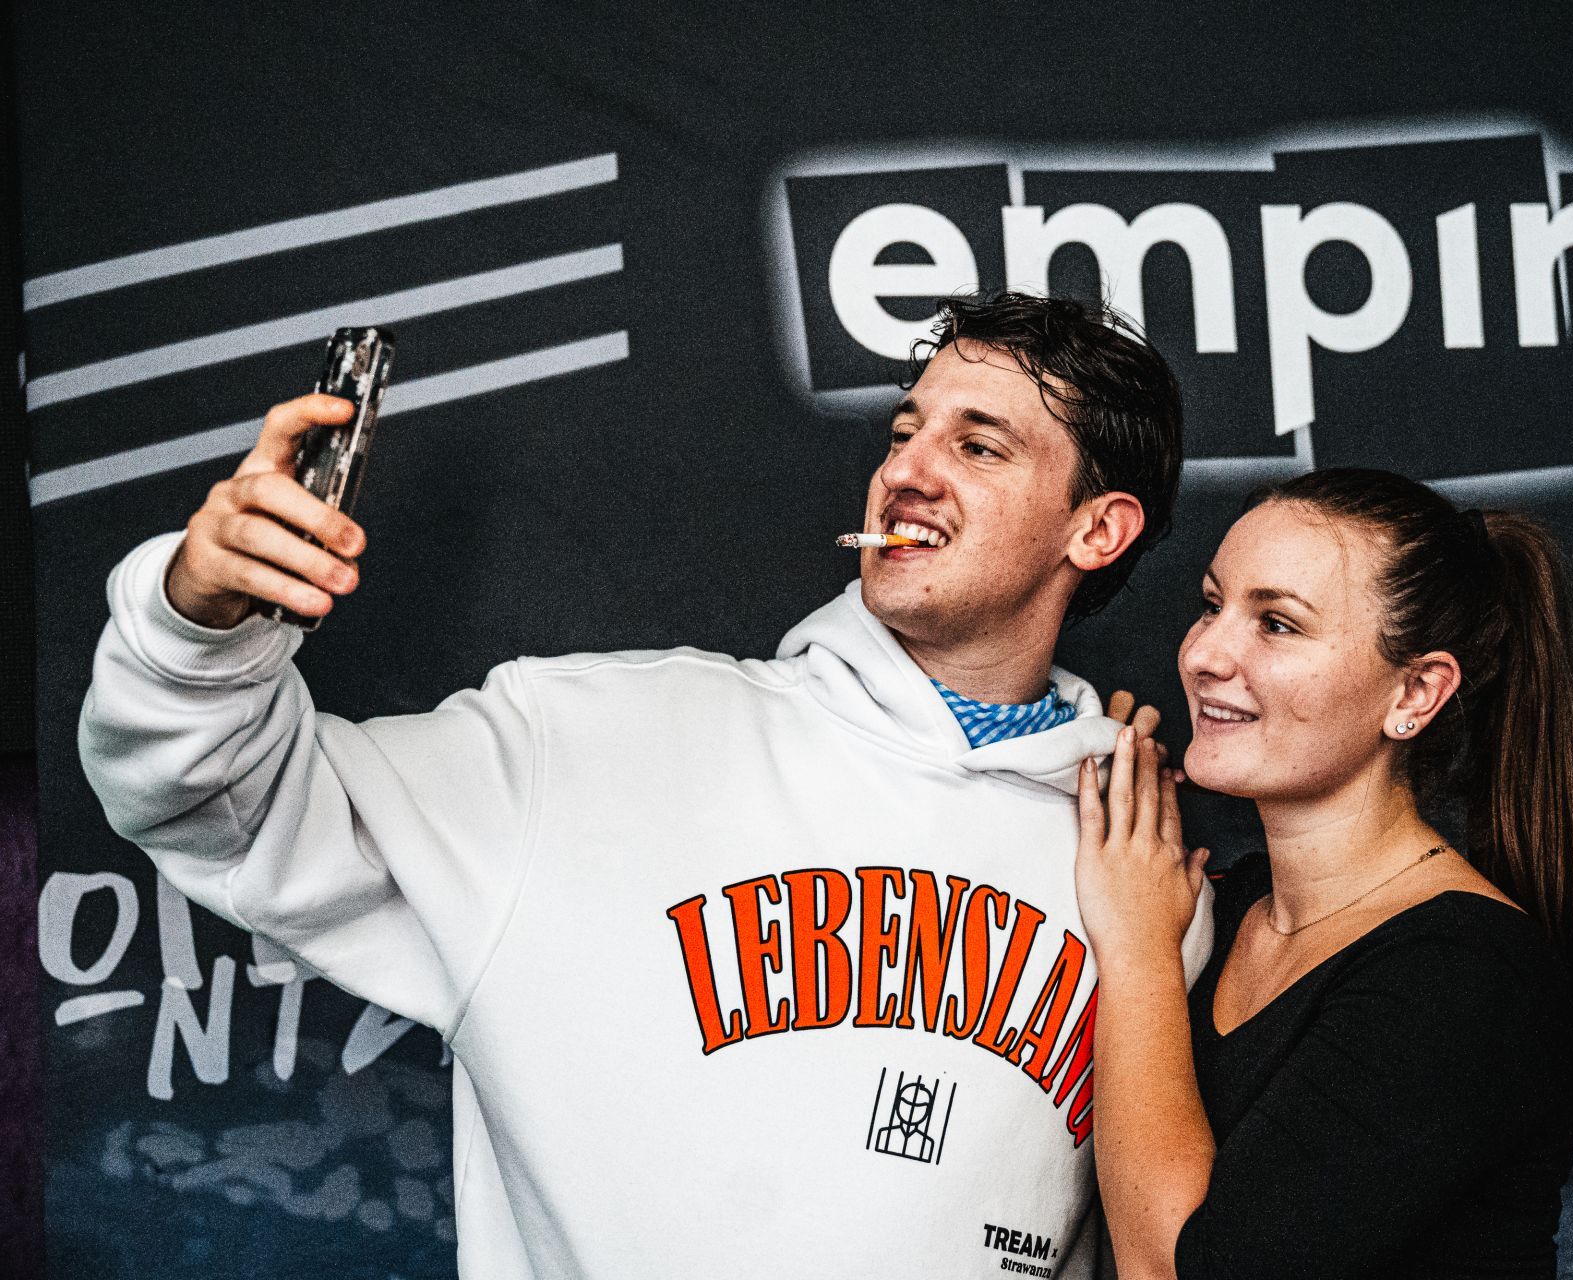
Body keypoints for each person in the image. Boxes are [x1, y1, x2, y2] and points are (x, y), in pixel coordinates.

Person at [77, 290, 1212, 1279]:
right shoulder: (586, 743)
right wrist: (198, 619)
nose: (906, 471)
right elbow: (220, 802)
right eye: (907, 430)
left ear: (1097, 528)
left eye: (980, 446)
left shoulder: (1140, 876)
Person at [1073, 468, 1573, 1279]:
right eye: (1212, 605)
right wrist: (1075, 799)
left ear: (1416, 693)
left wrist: (1139, 950)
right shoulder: (1210, 905)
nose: (1204, 653)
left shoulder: (1465, 973)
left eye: (1277, 623)